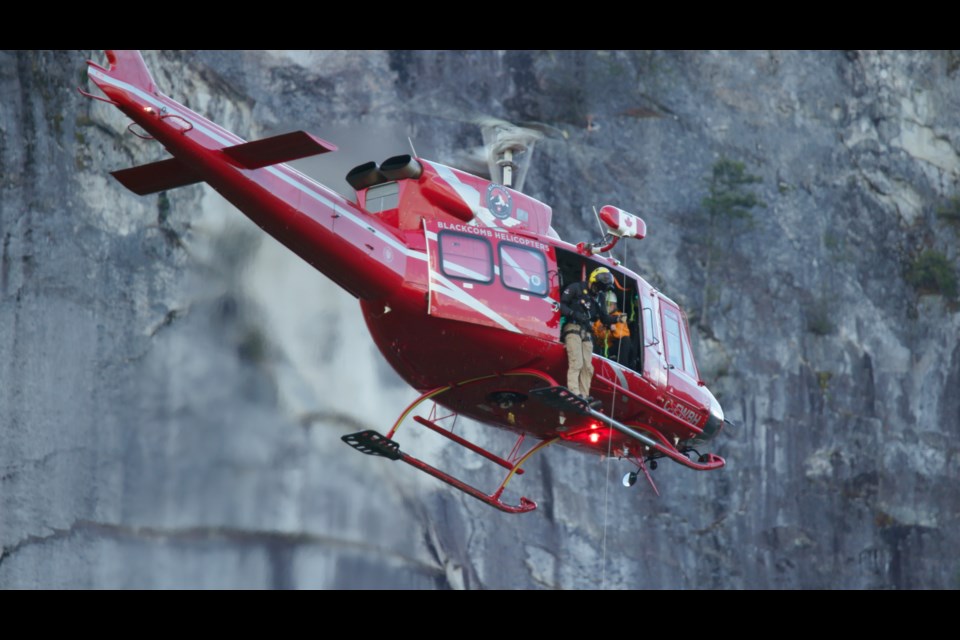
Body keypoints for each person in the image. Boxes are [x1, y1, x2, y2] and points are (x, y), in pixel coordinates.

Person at [559, 267, 619, 403]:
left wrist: (617, 319)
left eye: (602, 289)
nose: (599, 291)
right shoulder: (576, 288)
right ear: (592, 281)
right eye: (598, 287)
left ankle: (584, 396)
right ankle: (573, 391)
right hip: (572, 328)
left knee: (588, 367)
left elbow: (604, 318)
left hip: (586, 332)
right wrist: (573, 314)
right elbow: (561, 305)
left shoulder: (600, 297)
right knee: (577, 362)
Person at [593, 290, 636, 369]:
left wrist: (613, 329)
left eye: (609, 304)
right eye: (605, 304)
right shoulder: (600, 320)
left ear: (614, 305)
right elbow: (595, 332)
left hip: (612, 347)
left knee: (626, 340)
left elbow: (623, 334)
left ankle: (623, 367)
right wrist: (601, 329)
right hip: (601, 348)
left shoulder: (620, 317)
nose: (607, 307)